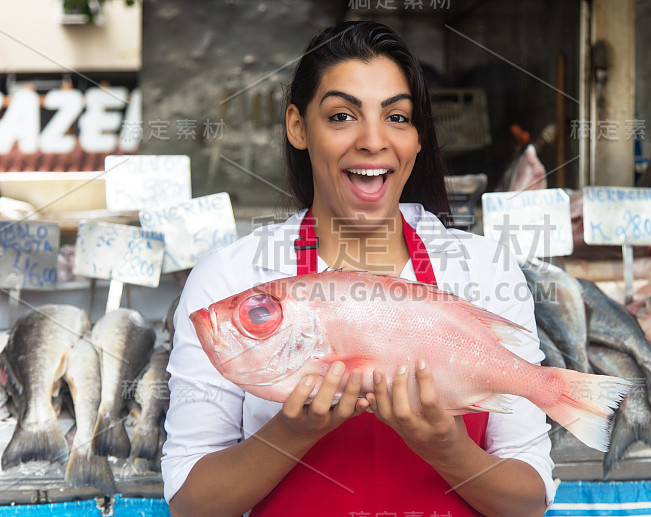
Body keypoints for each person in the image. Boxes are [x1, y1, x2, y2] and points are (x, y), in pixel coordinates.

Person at [163, 20, 556, 517]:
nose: (373, 141)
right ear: (298, 127)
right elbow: (191, 504)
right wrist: (292, 431)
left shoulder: (483, 268)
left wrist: (447, 450)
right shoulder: (232, 277)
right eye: (343, 115)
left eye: (397, 117)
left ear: (417, 139)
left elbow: (527, 503)